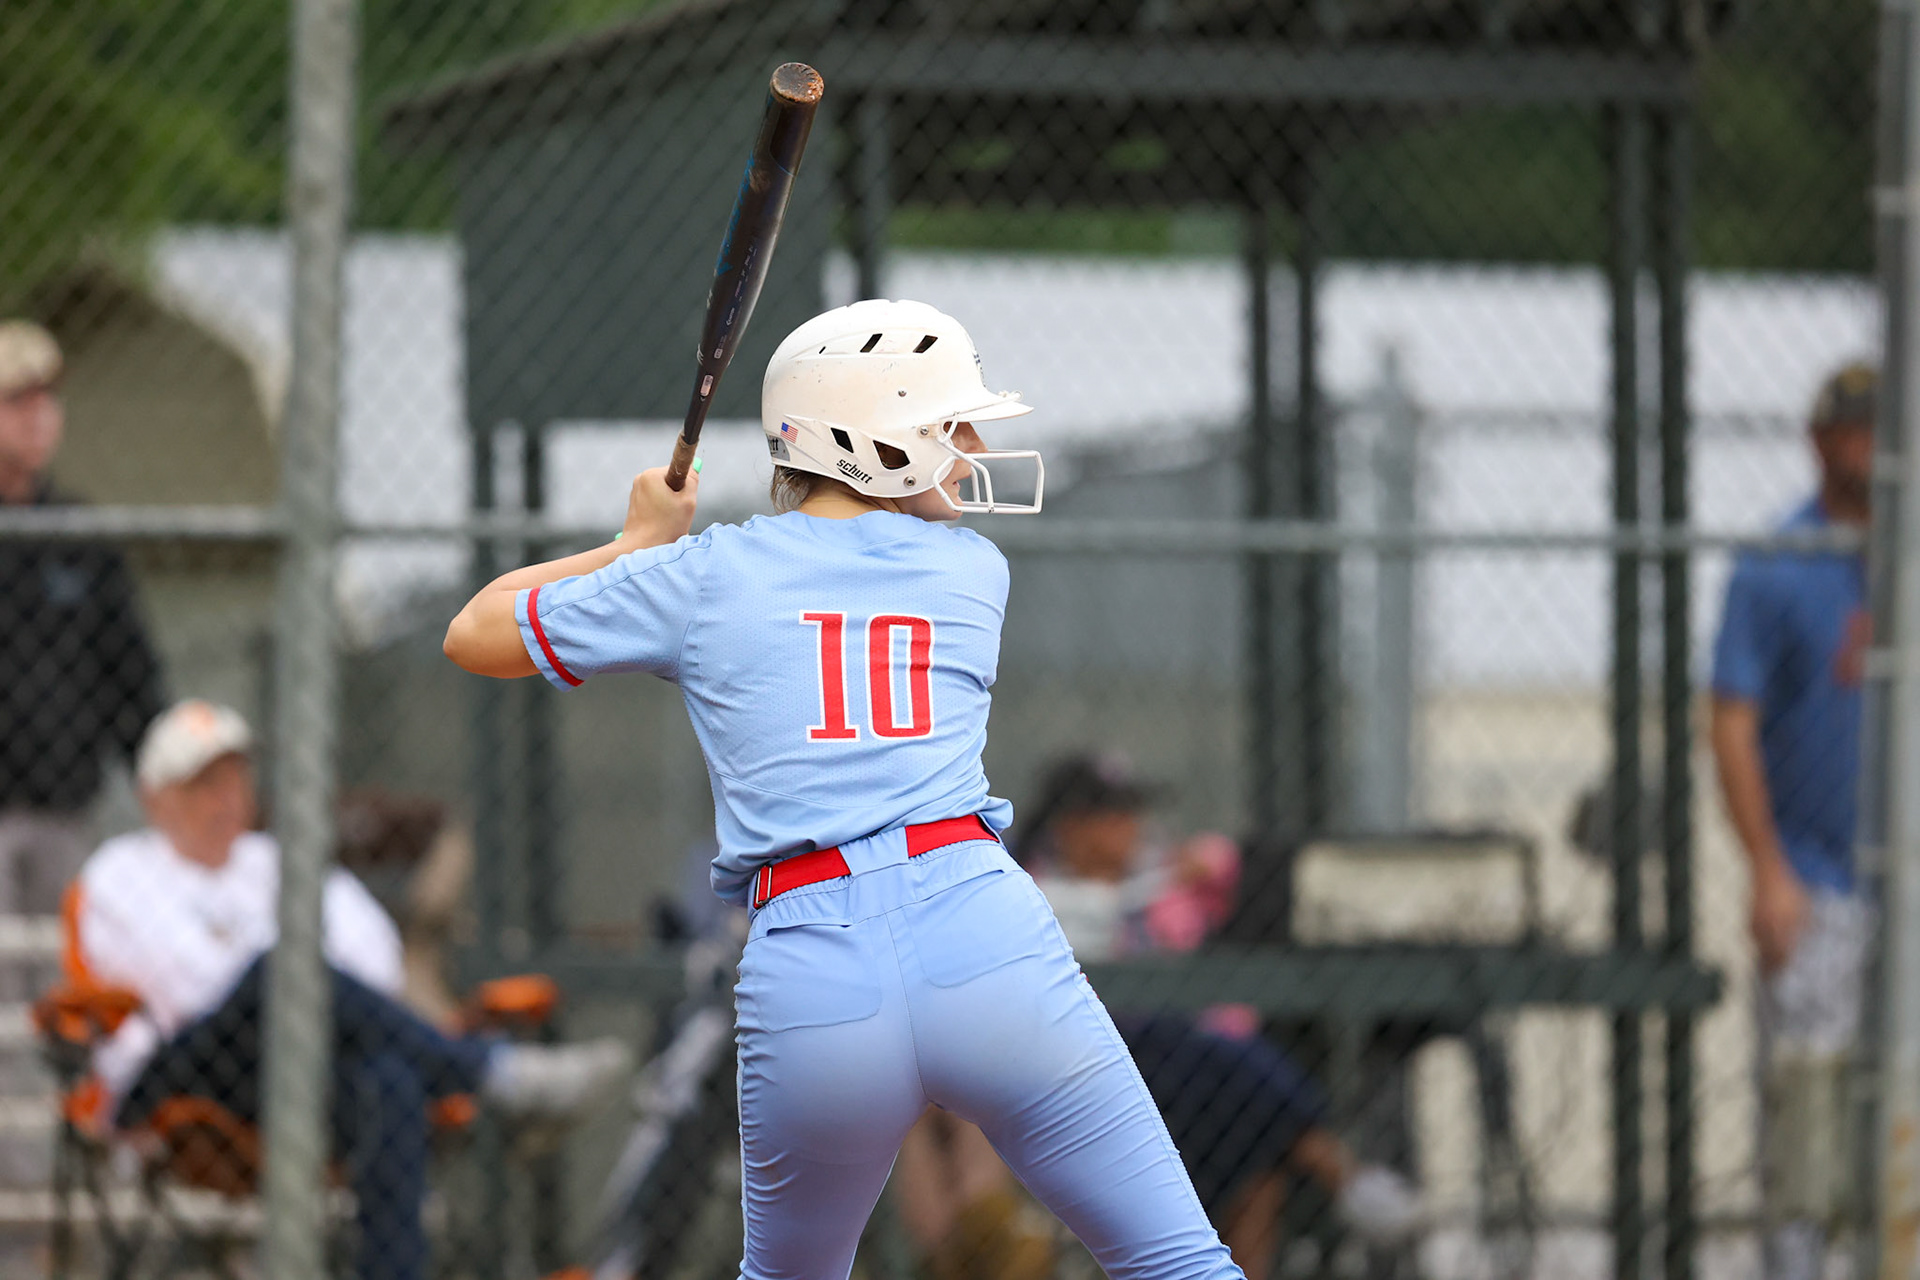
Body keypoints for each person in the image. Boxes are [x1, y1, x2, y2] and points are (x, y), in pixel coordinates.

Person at [444, 299, 1244, 1280]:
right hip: (980, 936)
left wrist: (633, 545)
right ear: (877, 439)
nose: (974, 445)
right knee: (1178, 1261)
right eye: (949, 423)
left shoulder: (710, 571)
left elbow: (477, 630)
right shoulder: (969, 569)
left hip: (813, 964)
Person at [73, 699, 632, 1280]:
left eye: (235, 778)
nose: (227, 797)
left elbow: (374, 960)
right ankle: (495, 1073)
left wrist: (304, 990)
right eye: (204, 782)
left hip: (297, 1068)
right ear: (154, 796)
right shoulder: (120, 872)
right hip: (177, 1082)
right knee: (279, 970)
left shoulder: (274, 861)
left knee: (387, 1081)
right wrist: (299, 983)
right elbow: (186, 987)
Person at [1018, 754, 1421, 1279]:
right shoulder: (1029, 887)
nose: (1133, 828)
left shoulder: (1159, 886)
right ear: (1070, 826)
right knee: (1239, 1084)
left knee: (1252, 1135)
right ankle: (1342, 1172)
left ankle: (1312, 1200)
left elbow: (1227, 863)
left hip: (1193, 1069)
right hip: (1096, 1064)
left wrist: (1178, 872)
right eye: (1115, 816)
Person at [1709, 361, 1875, 1280]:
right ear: (1820, 442)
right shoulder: (1780, 560)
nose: (1876, 444)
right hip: (1819, 885)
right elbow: (1730, 722)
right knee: (1807, 1123)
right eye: (1857, 427)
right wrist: (1768, 870)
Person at [0, 320, 163, 928]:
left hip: (61, 804)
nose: (39, 416)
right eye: (18, 400)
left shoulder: (77, 533)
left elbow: (128, 667)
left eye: (48, 399)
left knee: (57, 986)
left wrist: (158, 771)